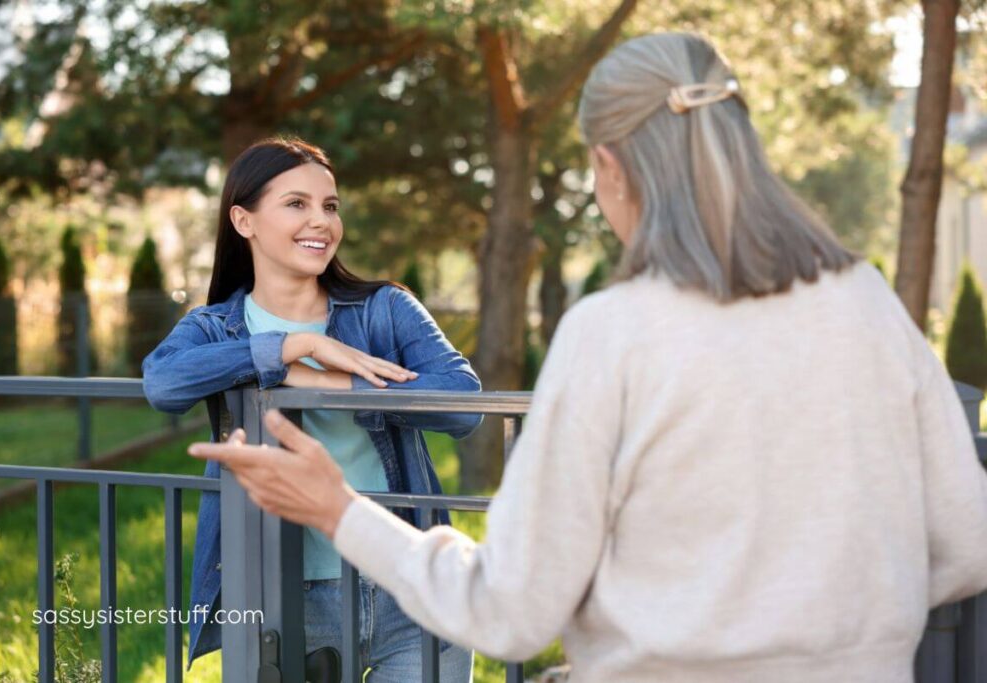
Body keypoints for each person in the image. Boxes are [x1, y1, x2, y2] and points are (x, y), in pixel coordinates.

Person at [188, 34, 987, 682]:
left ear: (609, 167)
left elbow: (510, 609)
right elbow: (967, 545)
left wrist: (339, 508)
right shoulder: (866, 301)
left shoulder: (615, 331)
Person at [142, 137, 478, 680]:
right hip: (284, 598)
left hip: (409, 584)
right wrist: (290, 350)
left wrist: (338, 383)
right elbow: (162, 381)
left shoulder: (384, 309)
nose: (320, 221)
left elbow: (463, 405)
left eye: (329, 206)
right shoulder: (215, 327)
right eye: (296, 204)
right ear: (243, 221)